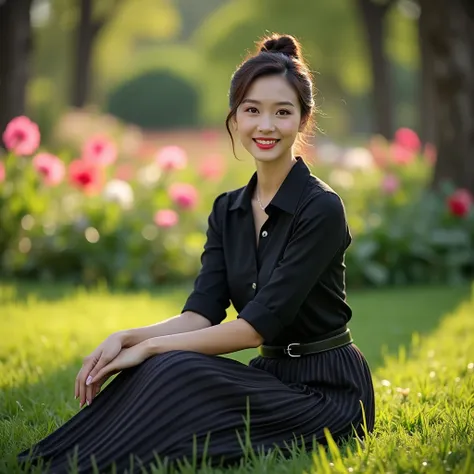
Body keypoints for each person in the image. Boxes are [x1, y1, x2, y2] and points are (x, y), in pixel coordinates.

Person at [17, 33, 375, 474]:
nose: (266, 125)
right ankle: (63, 461)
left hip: (330, 393)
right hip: (272, 378)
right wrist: (130, 338)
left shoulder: (320, 207)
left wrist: (153, 350)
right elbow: (201, 313)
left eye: (282, 112)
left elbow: (252, 330)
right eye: (252, 110)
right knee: (164, 365)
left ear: (303, 119)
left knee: (172, 366)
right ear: (234, 119)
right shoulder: (228, 209)